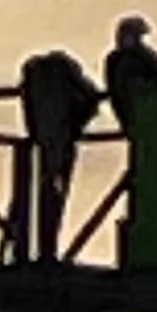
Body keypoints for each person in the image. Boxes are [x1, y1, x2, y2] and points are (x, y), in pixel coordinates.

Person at [18, 46, 100, 255]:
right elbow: (90, 100)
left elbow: (29, 112)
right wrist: (75, 127)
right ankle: (47, 248)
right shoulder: (64, 76)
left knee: (44, 184)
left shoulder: (33, 74)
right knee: (54, 187)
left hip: (45, 141)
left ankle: (40, 246)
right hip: (61, 139)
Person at [104, 11, 157, 129]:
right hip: (128, 112)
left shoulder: (148, 57)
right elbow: (114, 90)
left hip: (148, 112)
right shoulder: (114, 60)